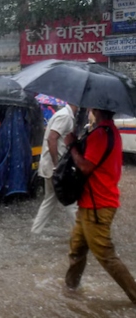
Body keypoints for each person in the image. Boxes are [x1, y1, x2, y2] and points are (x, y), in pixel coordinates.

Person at [63, 108, 136, 304]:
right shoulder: (111, 131)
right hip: (92, 203)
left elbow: (86, 166)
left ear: (96, 110)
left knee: (106, 256)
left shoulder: (100, 134)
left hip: (97, 206)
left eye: (90, 109)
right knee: (77, 250)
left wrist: (72, 147)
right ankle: (70, 291)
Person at [31, 103, 79, 234]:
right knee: (71, 202)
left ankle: (35, 231)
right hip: (57, 168)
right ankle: (83, 236)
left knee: (49, 200)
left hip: (52, 167)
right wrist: (57, 165)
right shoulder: (65, 116)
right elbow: (52, 138)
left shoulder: (64, 115)